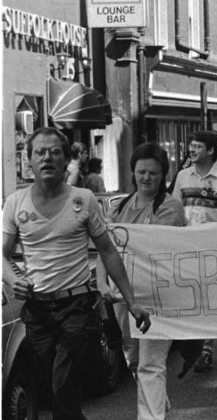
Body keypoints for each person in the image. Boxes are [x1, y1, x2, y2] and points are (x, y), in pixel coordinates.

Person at [2, 127, 151, 420]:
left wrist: (131, 302)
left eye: (55, 152)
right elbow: (2, 255)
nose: (47, 158)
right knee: (59, 387)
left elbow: (108, 251)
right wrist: (11, 279)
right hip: (38, 311)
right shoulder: (14, 203)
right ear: (28, 160)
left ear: (67, 160)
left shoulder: (83, 200)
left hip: (77, 307)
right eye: (39, 152)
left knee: (61, 379)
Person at [97, 143, 185, 420]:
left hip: (158, 297)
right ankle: (158, 402)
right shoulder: (121, 207)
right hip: (124, 296)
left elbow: (158, 246)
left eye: (154, 173)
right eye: (141, 172)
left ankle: (152, 415)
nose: (147, 178)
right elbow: (105, 246)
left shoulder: (170, 207)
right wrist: (102, 282)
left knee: (151, 364)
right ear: (133, 172)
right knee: (134, 361)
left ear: (163, 176)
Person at [171, 130, 217, 372]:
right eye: (190, 145)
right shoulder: (181, 177)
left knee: (216, 296)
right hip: (189, 247)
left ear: (210, 150)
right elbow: (174, 209)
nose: (191, 150)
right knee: (199, 298)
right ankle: (206, 350)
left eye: (197, 146)